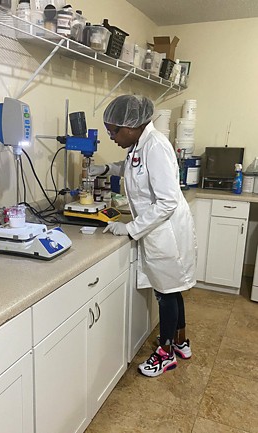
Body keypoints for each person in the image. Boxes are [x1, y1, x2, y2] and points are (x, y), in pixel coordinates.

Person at [90, 95, 197, 378]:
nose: (111, 136)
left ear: (131, 125)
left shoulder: (156, 146)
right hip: (159, 230)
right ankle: (181, 342)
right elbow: (131, 166)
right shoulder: (140, 144)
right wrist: (105, 168)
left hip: (167, 233)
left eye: (113, 130)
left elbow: (166, 202)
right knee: (172, 288)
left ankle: (166, 353)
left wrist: (130, 228)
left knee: (166, 293)